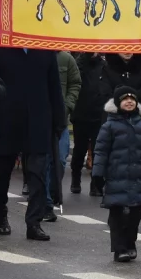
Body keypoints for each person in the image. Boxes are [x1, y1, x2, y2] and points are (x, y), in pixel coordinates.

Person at [0, 43, 65, 241]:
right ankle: (0, 212)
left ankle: (34, 222)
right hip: (8, 118)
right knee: (3, 170)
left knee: (37, 172)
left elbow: (54, 85)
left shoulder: (45, 50)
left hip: (39, 118)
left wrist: (59, 119)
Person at [94, 85, 141, 262]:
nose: (129, 101)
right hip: (115, 177)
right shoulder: (109, 126)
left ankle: (130, 243)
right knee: (117, 215)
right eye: (125, 99)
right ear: (117, 103)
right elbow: (101, 152)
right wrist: (97, 175)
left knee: (135, 214)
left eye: (132, 99)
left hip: (136, 178)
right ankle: (119, 248)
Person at [45, 50, 81, 221]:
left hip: (61, 120)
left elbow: (75, 83)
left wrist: (67, 105)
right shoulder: (35, 55)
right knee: (42, 160)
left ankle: (52, 193)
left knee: (59, 159)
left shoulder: (66, 58)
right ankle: (44, 201)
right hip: (41, 118)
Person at [70, 52, 107, 196]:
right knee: (79, 149)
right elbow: (75, 80)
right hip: (81, 115)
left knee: (98, 150)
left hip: (99, 115)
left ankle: (95, 183)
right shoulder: (79, 63)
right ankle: (75, 178)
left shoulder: (104, 65)